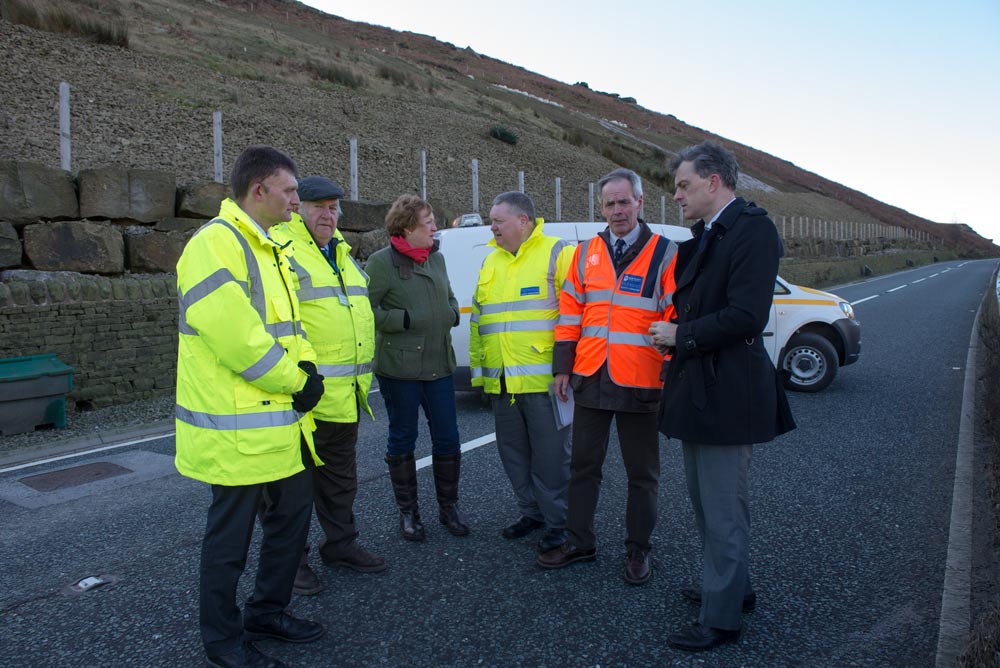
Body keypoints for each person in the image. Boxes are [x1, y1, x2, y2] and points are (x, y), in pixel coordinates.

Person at [175, 145, 326, 668]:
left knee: (291, 525)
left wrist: (308, 370)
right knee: (229, 545)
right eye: (289, 191)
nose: (295, 201)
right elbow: (237, 339)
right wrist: (295, 379)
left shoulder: (272, 246)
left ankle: (267, 612)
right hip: (237, 431)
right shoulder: (213, 245)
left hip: (281, 424)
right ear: (258, 190)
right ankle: (223, 642)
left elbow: (292, 326)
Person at [651, 141, 795, 651]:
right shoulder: (712, 232)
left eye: (684, 186)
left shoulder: (752, 229)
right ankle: (731, 587)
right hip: (702, 388)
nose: (677, 196)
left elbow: (746, 316)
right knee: (707, 503)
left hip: (727, 390)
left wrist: (678, 336)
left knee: (722, 506)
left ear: (714, 182)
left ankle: (723, 619)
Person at [537, 168, 678, 585]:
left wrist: (671, 369)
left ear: (639, 203)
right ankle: (579, 542)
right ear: (601, 208)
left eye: (624, 202)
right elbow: (569, 313)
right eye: (609, 204)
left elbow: (675, 314)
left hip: (641, 381)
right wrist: (563, 366)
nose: (617, 210)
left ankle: (638, 550)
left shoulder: (665, 253)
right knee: (582, 467)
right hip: (591, 377)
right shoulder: (584, 254)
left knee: (642, 475)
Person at [270, 176, 385, 598]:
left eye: (334, 206)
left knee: (340, 483)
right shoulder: (282, 249)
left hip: (345, 397)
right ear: (298, 206)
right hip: (301, 399)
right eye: (318, 205)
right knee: (291, 492)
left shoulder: (341, 252)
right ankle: (291, 563)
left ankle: (340, 546)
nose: (328, 214)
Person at [471, 192, 576, 553]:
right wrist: (480, 375)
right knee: (513, 455)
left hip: (545, 382)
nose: (492, 226)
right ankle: (530, 513)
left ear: (524, 221)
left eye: (498, 220)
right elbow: (478, 322)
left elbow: (577, 313)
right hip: (502, 382)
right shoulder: (490, 262)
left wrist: (569, 368)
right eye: (491, 219)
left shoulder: (557, 252)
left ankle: (558, 523)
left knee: (551, 459)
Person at [366, 195, 470, 541]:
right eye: (428, 223)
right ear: (408, 228)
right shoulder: (381, 263)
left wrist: (452, 312)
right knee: (402, 438)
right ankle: (409, 514)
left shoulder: (435, 258)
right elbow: (367, 312)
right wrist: (403, 319)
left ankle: (448, 508)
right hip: (400, 370)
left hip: (440, 365)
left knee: (448, 438)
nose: (435, 228)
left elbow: (449, 295)